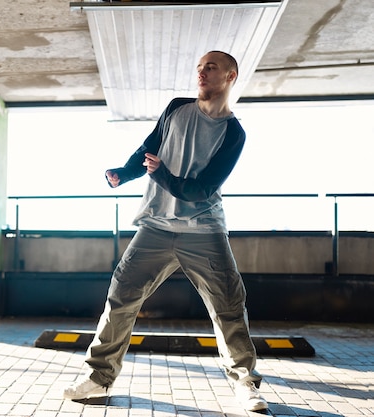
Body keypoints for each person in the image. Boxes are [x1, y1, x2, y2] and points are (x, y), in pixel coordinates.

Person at [63, 51, 267, 412]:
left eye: (211, 67)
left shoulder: (233, 133)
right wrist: (123, 173)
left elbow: (202, 189)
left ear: (231, 76)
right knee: (121, 298)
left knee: (228, 307)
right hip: (155, 226)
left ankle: (245, 386)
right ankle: (98, 378)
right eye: (199, 67)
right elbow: (148, 149)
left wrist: (162, 175)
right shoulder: (176, 108)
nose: (202, 73)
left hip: (204, 230)